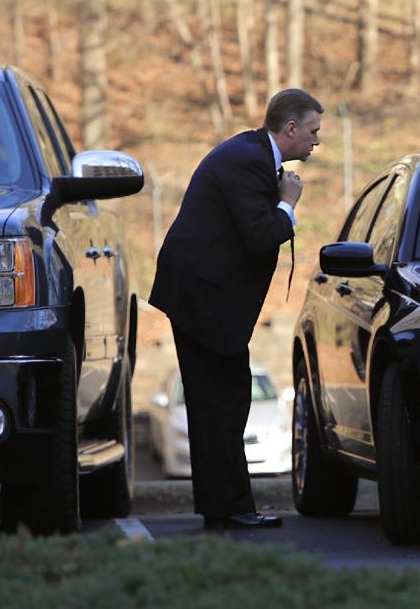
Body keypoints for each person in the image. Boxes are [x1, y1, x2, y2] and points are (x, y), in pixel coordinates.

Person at [149, 89, 323, 529]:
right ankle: (230, 509)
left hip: (202, 295)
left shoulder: (251, 155)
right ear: (289, 129)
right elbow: (260, 235)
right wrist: (288, 204)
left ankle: (224, 508)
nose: (316, 141)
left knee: (221, 399)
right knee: (221, 400)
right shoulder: (249, 161)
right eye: (312, 131)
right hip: (202, 297)